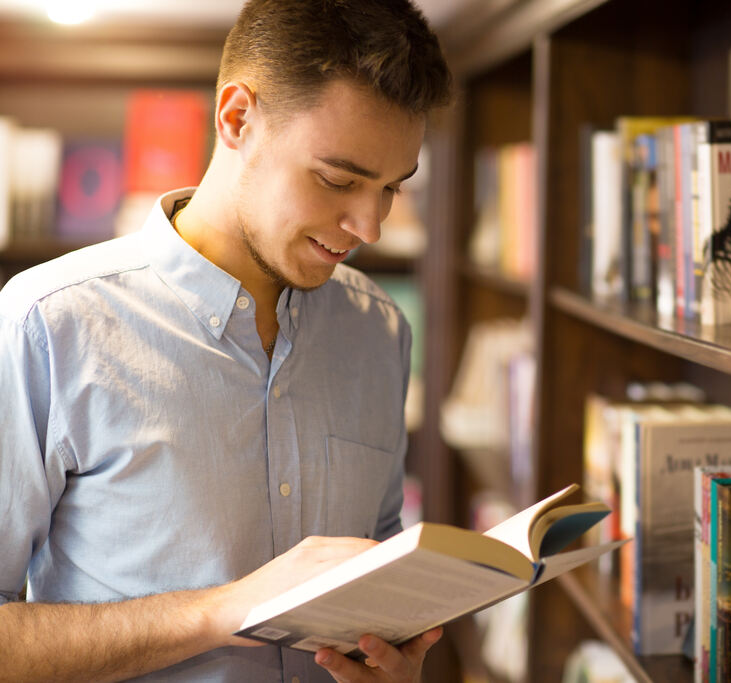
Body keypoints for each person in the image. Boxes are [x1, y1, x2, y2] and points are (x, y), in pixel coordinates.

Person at [0, 0, 452, 680]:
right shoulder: (47, 323)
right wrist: (226, 609)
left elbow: (378, 574)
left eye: (391, 188)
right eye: (339, 180)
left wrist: (390, 657)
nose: (369, 225)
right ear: (237, 118)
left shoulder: (380, 330)